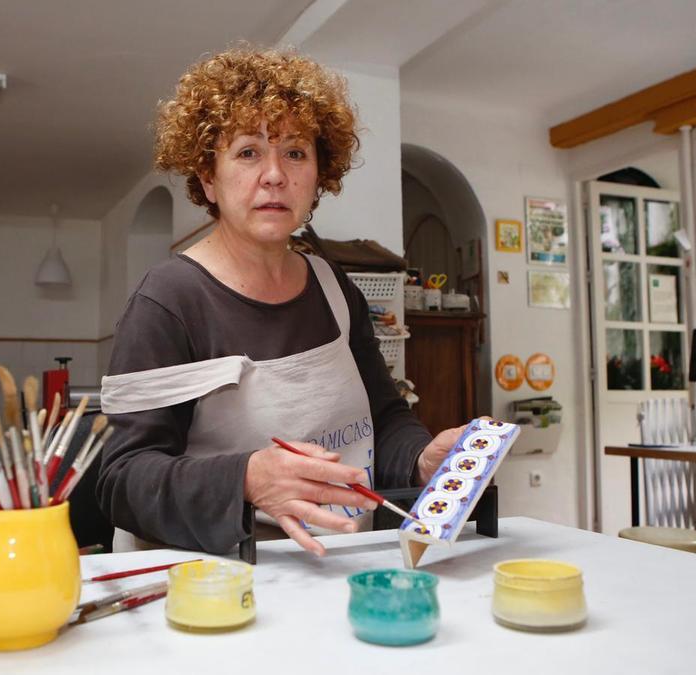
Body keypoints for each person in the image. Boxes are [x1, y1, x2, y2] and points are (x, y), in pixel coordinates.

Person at [97, 47, 465, 556]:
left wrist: (423, 457)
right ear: (209, 178)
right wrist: (245, 478)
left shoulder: (335, 289)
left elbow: (384, 418)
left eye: (295, 153)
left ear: (318, 176)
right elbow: (121, 479)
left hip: (340, 562)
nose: (274, 174)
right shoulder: (168, 301)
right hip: (212, 584)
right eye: (248, 152)